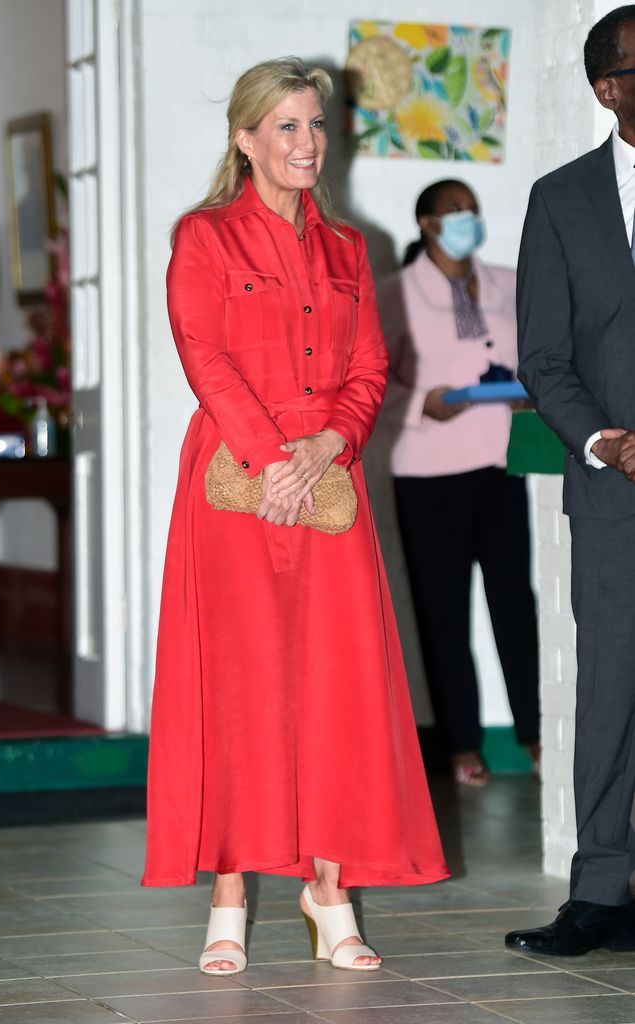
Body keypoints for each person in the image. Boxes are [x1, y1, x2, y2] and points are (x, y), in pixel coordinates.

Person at [142, 57, 448, 976]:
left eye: (315, 126)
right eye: (284, 126)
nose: (306, 143)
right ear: (244, 140)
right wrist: (273, 458)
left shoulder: (352, 249)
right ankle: (229, 897)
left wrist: (325, 448)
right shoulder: (202, 237)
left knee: (334, 689)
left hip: (326, 482)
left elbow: (368, 371)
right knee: (239, 688)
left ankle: (328, 892)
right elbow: (204, 357)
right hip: (236, 483)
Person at [505, 6, 635, 956]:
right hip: (614, 490)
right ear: (608, 88)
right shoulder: (560, 198)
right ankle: (598, 895)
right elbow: (542, 357)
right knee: (613, 692)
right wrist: (606, 442)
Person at [376, 180, 540, 788]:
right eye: (452, 213)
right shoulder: (394, 294)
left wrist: (533, 394)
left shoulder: (510, 282)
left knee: (514, 605)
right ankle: (461, 745)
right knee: (442, 614)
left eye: (472, 209)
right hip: (427, 473)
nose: (465, 220)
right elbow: (369, 382)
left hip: (501, 464)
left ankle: (535, 734)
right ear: (425, 223)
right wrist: (424, 402)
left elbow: (541, 355)